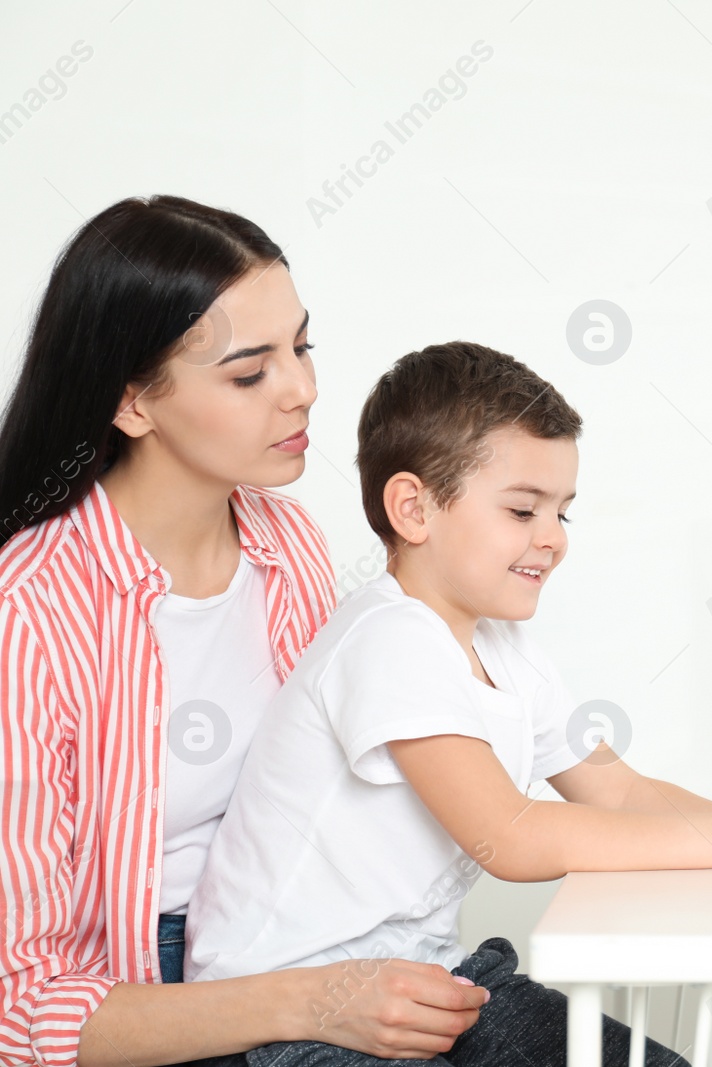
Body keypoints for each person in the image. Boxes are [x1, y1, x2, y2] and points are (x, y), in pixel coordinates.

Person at [184, 341, 712, 1066]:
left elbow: (614, 788)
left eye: (563, 512)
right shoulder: (388, 639)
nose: (553, 539)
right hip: (294, 1020)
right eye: (523, 509)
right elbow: (510, 837)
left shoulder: (502, 645)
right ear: (413, 508)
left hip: (427, 977)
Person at [0, 197, 496, 1067]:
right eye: (248, 371)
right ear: (132, 402)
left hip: (312, 935)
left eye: (301, 346)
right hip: (150, 994)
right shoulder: (29, 615)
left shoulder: (287, 540)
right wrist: (311, 1001)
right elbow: (18, 1004)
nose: (302, 388)